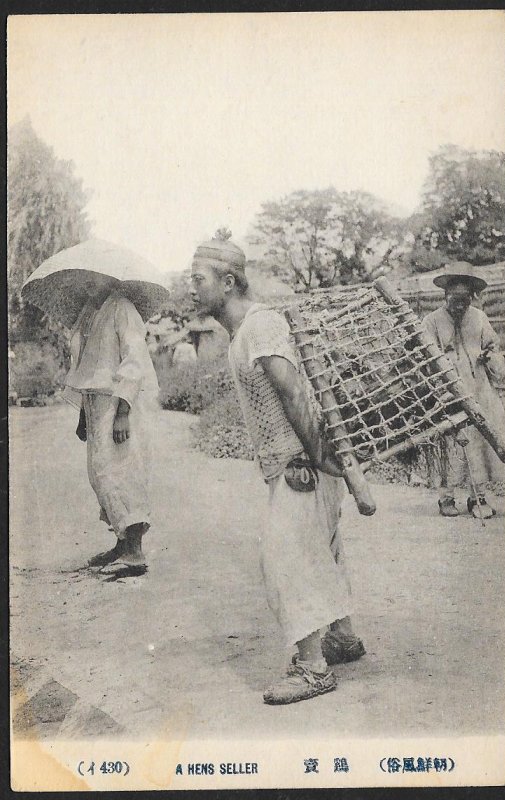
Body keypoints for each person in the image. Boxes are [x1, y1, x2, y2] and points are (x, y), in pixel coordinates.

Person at [190, 231, 364, 705]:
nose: (191, 288)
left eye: (197, 279)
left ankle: (312, 668)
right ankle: (343, 638)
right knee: (322, 547)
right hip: (294, 460)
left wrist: (315, 457)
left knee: (285, 559)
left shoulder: (259, 327)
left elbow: (293, 392)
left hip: (299, 463)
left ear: (228, 282)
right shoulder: (243, 332)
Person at [63, 275, 159, 567]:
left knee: (123, 469)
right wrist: (82, 412)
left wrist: (122, 412)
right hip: (94, 401)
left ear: (109, 279)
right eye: (86, 279)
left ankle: (136, 550)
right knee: (101, 472)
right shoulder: (88, 313)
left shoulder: (122, 308)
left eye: (94, 279)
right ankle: (121, 542)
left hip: (118, 400)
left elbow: (135, 359)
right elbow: (85, 365)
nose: (88, 284)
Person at [421, 262, 505, 519]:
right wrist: (440, 383)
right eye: (454, 300)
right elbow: (425, 358)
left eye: (465, 300)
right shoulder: (431, 321)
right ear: (445, 296)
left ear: (472, 298)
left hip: (478, 389)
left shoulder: (480, 319)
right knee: (450, 442)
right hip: (446, 392)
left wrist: (488, 357)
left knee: (480, 441)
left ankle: (477, 497)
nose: (460, 306)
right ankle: (446, 497)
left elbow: (495, 352)